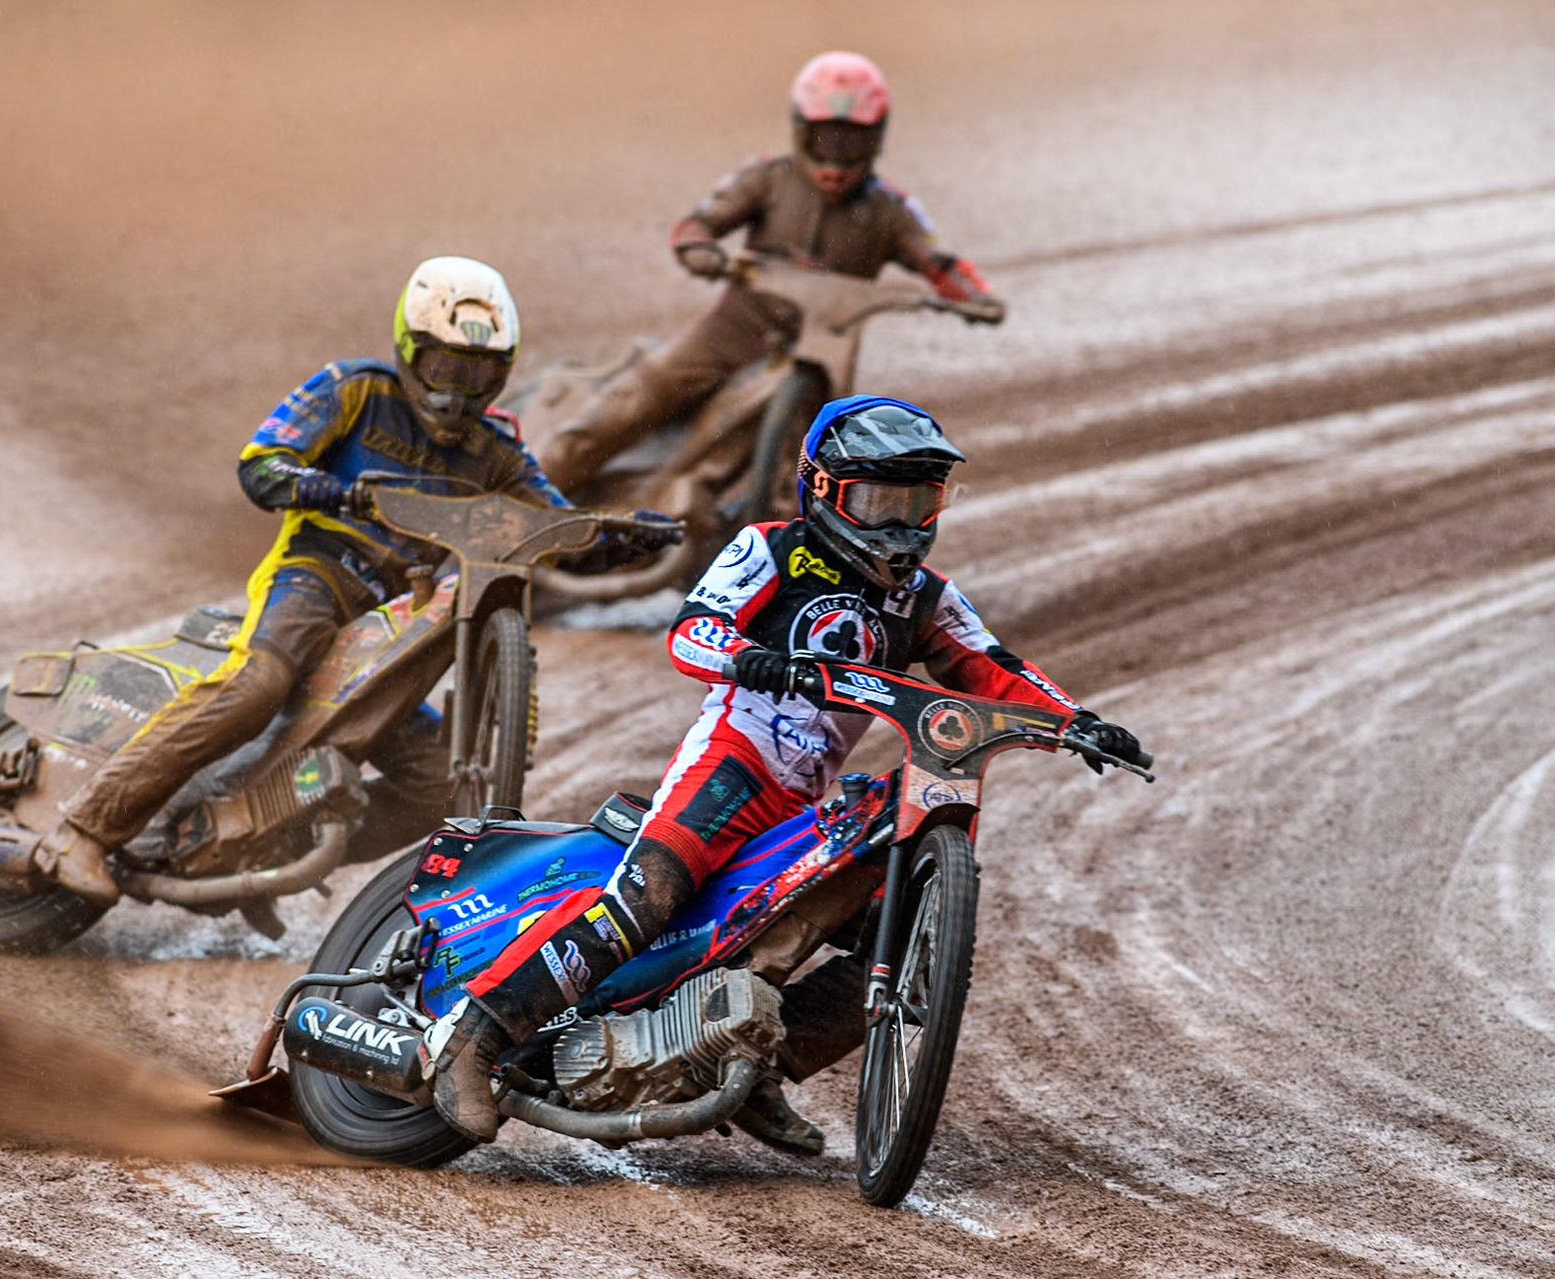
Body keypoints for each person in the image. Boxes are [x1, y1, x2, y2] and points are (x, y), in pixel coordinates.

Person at [430, 394, 1141, 1148]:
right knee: (650, 894)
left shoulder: (927, 597)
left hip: (804, 800)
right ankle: (473, 1041)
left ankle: (761, 1065)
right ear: (824, 490)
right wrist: (749, 657)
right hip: (734, 761)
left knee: (894, 939)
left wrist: (1075, 720)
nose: (899, 523)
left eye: (916, 500)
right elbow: (691, 630)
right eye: (877, 499)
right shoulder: (767, 548)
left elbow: (993, 667)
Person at [33, 256, 679, 908]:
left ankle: (259, 846)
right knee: (258, 685)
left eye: (479, 373)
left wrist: (620, 536)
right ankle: (84, 827)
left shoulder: (497, 450)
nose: (459, 389)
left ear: (503, 373)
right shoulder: (355, 389)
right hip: (316, 578)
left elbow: (552, 526)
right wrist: (311, 483)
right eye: (447, 366)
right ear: (410, 349)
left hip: (391, 622)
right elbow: (261, 462)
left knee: (433, 783)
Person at [538, 51, 1006, 496]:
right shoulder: (766, 176)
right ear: (801, 133)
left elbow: (939, 261)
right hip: (732, 332)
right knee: (633, 401)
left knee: (835, 465)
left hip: (824, 358)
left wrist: (973, 295)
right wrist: (699, 249)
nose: (836, 161)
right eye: (826, 142)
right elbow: (698, 223)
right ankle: (535, 492)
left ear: (876, 140)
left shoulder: (892, 209)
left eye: (853, 144)